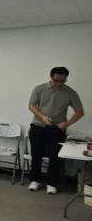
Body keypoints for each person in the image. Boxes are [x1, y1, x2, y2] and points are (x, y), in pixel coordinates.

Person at [27, 66, 84, 194]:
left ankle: (51, 184)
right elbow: (31, 106)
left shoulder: (70, 93)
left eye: (62, 81)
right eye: (56, 80)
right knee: (36, 155)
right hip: (38, 127)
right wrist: (42, 117)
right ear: (51, 77)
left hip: (57, 130)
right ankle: (35, 180)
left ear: (66, 79)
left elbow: (80, 112)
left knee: (55, 157)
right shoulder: (39, 88)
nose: (59, 83)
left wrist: (67, 123)